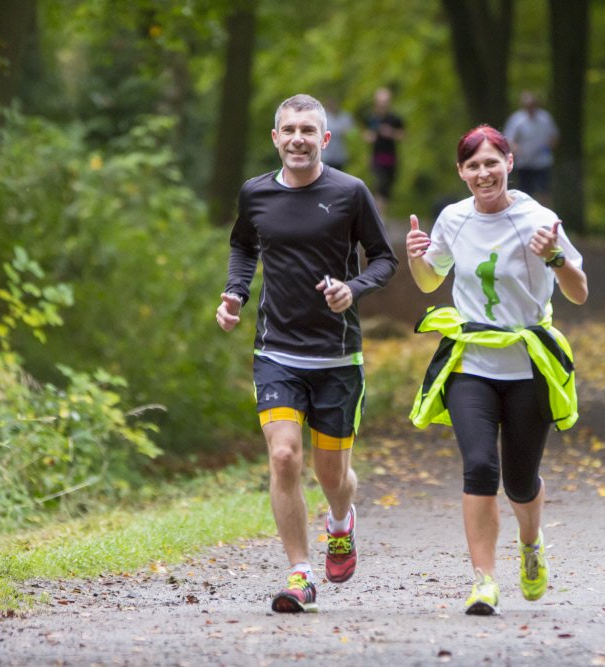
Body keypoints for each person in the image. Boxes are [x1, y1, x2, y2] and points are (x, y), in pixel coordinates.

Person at [216, 93, 398, 613]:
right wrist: (235, 293)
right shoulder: (255, 194)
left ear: (325, 138)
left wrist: (354, 289)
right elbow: (243, 246)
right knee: (283, 456)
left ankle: (341, 521)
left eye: (307, 130)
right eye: (288, 130)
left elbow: (384, 259)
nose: (298, 138)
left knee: (332, 476)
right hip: (277, 349)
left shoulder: (349, 192)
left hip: (338, 356)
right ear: (276, 138)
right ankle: (299, 573)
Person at [406, 125, 588, 615]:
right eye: (472, 165)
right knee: (480, 465)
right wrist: (417, 258)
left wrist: (553, 257)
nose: (482, 173)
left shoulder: (538, 218)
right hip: (472, 364)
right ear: (461, 172)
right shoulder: (453, 218)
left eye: (491, 162)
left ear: (509, 162)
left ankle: (531, 543)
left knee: (520, 481)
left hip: (528, 365)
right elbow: (429, 281)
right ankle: (483, 581)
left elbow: (579, 291)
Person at [502, 91, 559, 206]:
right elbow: (508, 139)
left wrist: (548, 147)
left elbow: (554, 136)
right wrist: (518, 150)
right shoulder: (517, 119)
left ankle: (545, 215)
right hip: (524, 163)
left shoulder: (545, 118)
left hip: (542, 162)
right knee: (525, 192)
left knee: (544, 191)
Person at [363, 87, 405, 212]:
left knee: (387, 187)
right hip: (376, 156)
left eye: (385, 101)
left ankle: (381, 212)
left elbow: (402, 135)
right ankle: (378, 213)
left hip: (391, 156)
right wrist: (373, 135)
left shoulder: (395, 119)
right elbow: (366, 136)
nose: (383, 104)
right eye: (381, 101)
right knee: (380, 183)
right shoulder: (371, 118)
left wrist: (390, 132)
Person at [323, 97, 354, 172]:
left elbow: (351, 133)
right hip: (327, 156)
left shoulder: (345, 117)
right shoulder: (323, 118)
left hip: (341, 155)